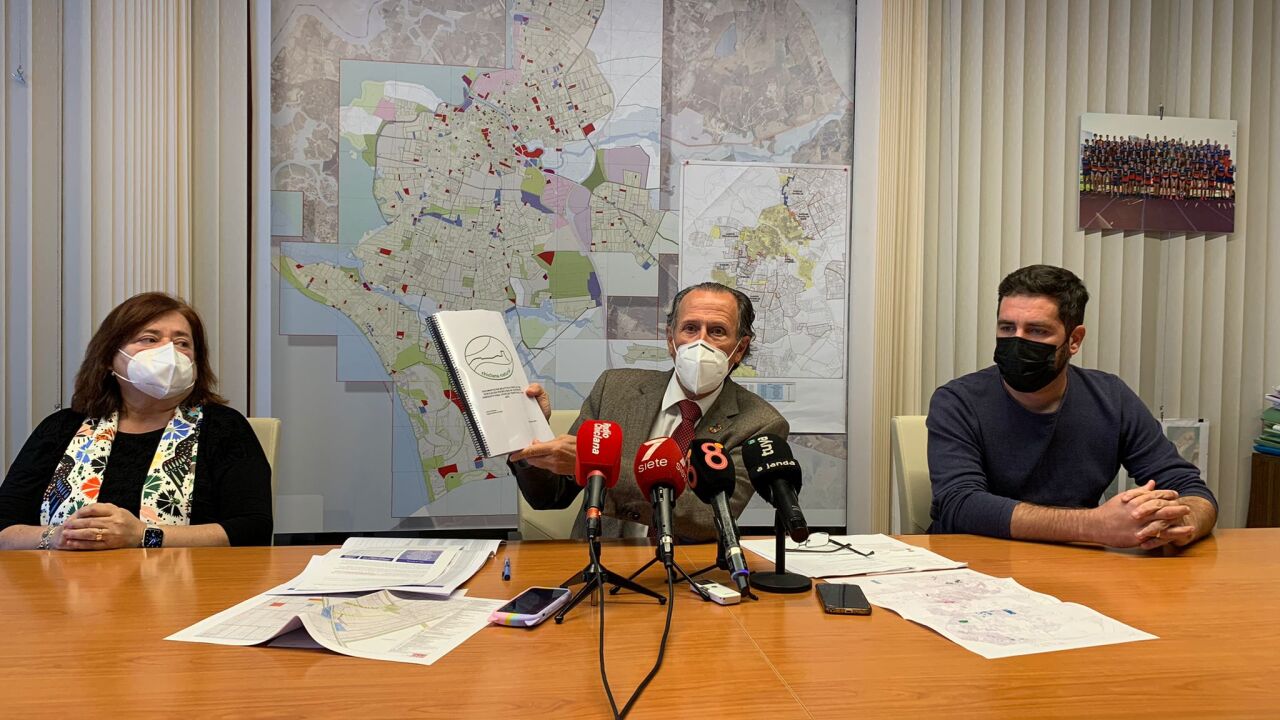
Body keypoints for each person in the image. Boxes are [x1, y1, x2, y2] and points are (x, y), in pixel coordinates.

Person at [927, 265, 1217, 549]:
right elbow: (959, 503)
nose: (1017, 341)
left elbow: (1188, 487)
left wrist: (1180, 523)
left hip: (1075, 561)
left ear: (1074, 340)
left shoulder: (1111, 397)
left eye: (1037, 331)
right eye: (1007, 327)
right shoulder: (957, 400)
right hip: (975, 561)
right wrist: (1094, 525)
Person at [510, 282, 789, 542]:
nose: (700, 343)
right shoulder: (614, 389)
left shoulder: (760, 423)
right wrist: (529, 429)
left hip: (688, 569)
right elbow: (551, 495)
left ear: (739, 349)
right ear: (670, 339)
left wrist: (598, 466)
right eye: (690, 328)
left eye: (717, 331)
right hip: (599, 559)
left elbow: (707, 518)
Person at [0, 292, 273, 550]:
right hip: (64, 580)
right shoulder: (61, 427)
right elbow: (5, 527)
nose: (169, 352)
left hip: (186, 581)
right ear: (109, 357)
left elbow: (253, 529)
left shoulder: (224, 427)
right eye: (149, 339)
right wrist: (58, 537)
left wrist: (144, 535)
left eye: (182, 343)